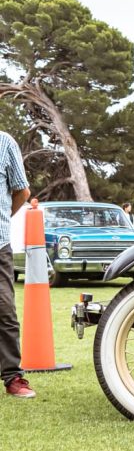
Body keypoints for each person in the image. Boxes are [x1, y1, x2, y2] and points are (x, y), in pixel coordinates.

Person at [0, 131, 35, 398]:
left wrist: (3, 217)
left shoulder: (5, 143)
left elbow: (22, 191)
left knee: (5, 312)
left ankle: (12, 377)